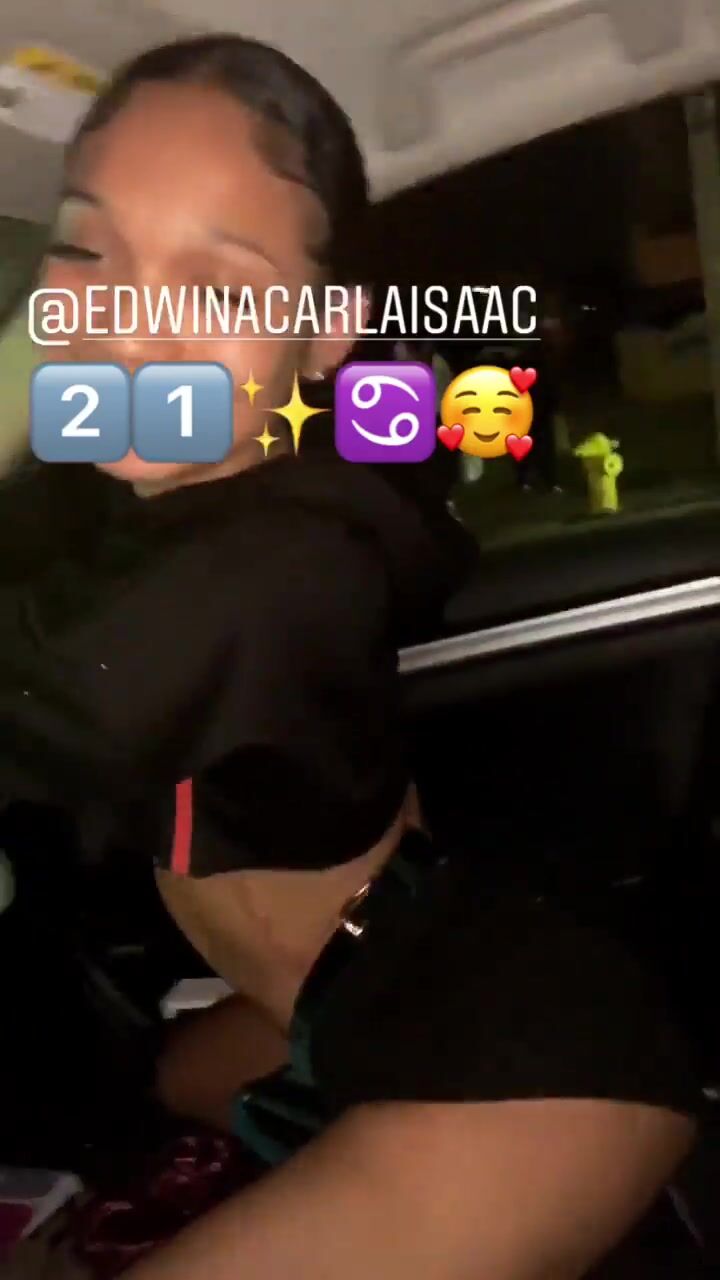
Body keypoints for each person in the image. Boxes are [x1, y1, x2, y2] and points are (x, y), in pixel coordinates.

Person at [0, 34, 699, 1280]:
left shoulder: (263, 569)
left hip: (532, 1059)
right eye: (88, 250)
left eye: (217, 286)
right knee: (120, 1097)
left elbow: (57, 694)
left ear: (325, 336)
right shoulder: (199, 505)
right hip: (336, 993)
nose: (128, 326)